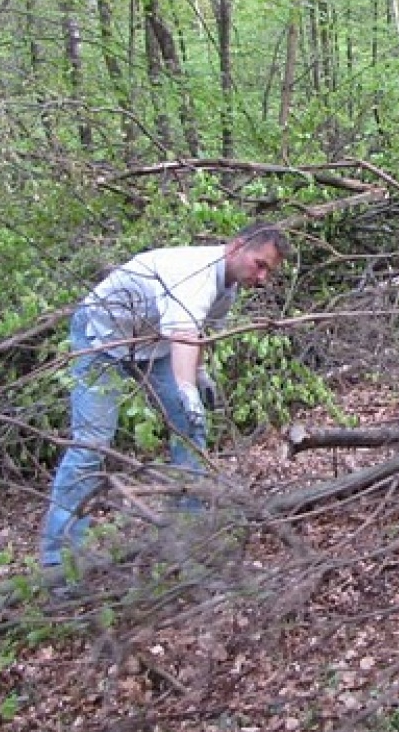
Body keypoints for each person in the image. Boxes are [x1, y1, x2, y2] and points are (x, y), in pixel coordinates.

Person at [40, 223, 288, 568]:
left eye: (268, 272)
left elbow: (196, 337)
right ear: (237, 247)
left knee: (189, 427)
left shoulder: (226, 289)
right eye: (259, 265)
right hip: (101, 336)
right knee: (91, 445)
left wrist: (198, 377)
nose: (261, 277)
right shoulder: (195, 273)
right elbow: (184, 334)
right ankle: (58, 562)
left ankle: (189, 533)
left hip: (152, 346)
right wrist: (187, 390)